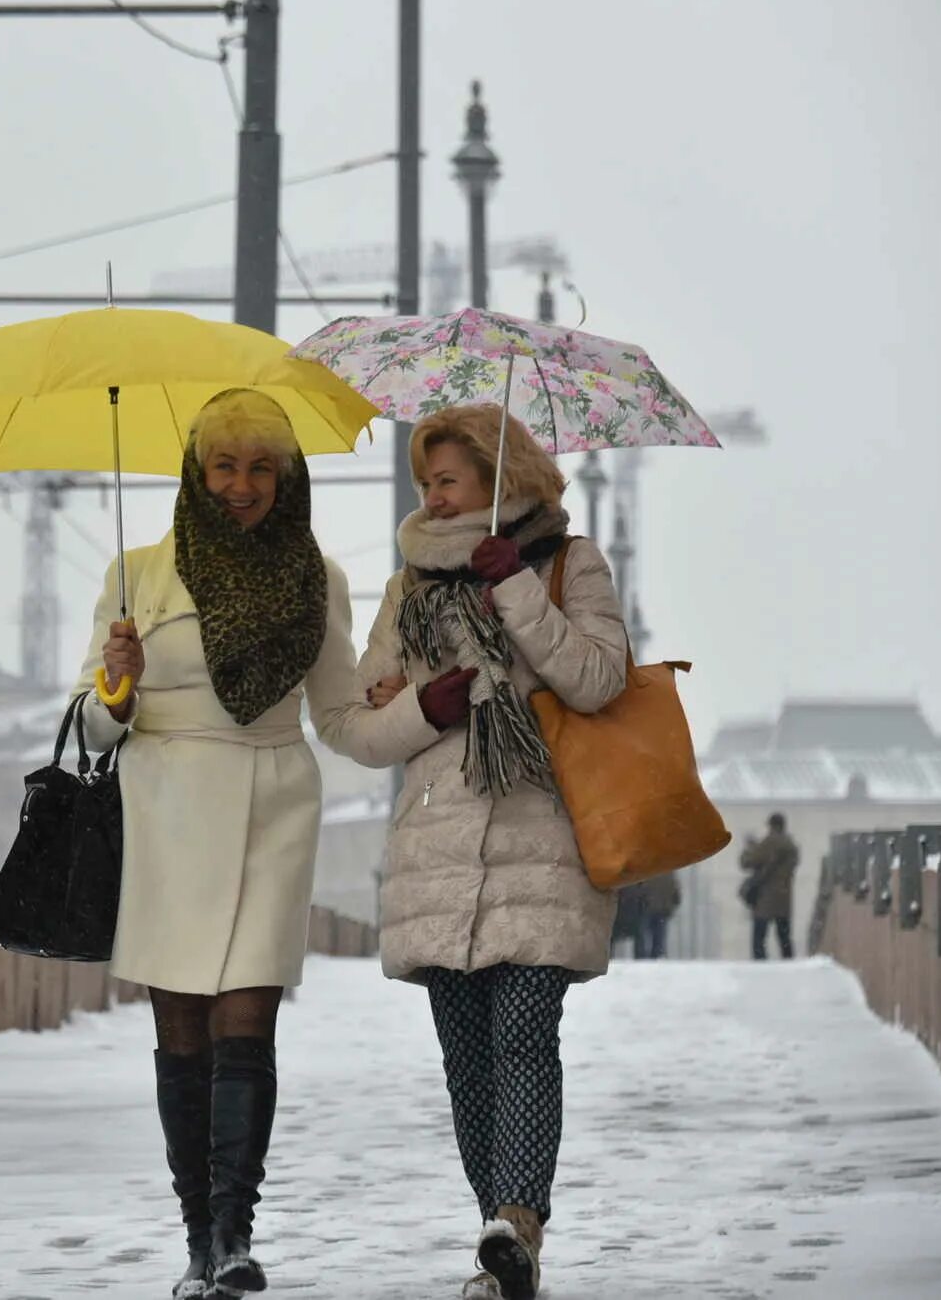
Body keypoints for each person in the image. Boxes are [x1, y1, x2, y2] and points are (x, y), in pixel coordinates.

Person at [74, 388, 425, 1300]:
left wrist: (416, 708)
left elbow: (341, 720)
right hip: (164, 813)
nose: (241, 486)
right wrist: (117, 686)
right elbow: (88, 727)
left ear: (286, 476)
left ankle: (235, 1231)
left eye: (260, 468)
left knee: (247, 1019)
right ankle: (199, 1238)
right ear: (197, 473)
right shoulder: (137, 574)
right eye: (224, 467)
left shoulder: (317, 577)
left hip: (272, 803)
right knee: (181, 1030)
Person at [353, 404, 628, 1300]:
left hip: (540, 839)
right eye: (424, 481)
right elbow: (364, 725)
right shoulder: (408, 587)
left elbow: (597, 678)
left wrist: (514, 587)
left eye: (446, 479)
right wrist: (419, 709)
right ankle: (504, 1247)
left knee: (522, 1035)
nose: (429, 497)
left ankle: (516, 1219)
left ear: (500, 481)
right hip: (439, 849)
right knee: (466, 1058)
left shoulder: (568, 563)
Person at [740, 814, 800, 960]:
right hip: (784, 896)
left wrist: (749, 848)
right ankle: (789, 962)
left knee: (759, 936)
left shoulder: (769, 842)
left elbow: (747, 862)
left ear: (771, 825)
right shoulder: (791, 846)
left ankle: (761, 964)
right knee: (784, 936)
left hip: (765, 897)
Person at [636, 872, 681, 959]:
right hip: (663, 910)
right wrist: (672, 906)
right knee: (659, 935)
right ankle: (656, 955)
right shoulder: (669, 874)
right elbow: (676, 894)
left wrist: (641, 903)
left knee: (643, 934)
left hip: (648, 909)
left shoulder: (648, 873)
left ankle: (642, 955)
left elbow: (640, 890)